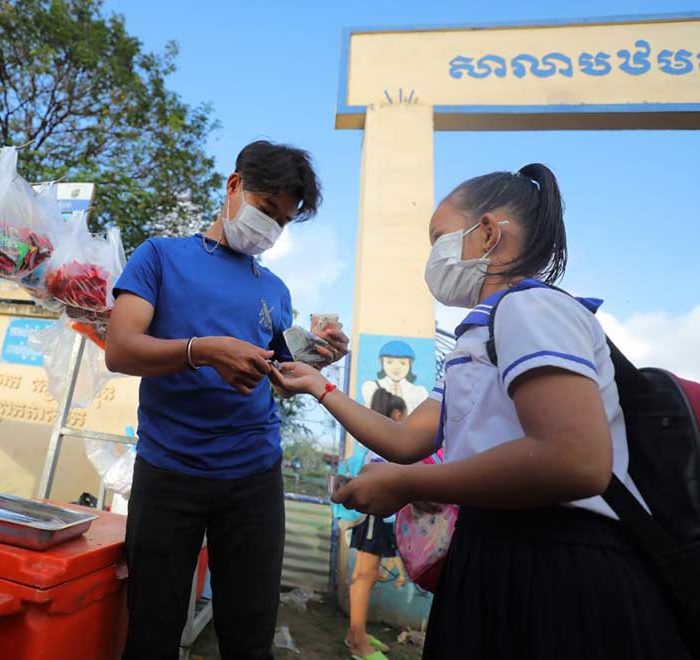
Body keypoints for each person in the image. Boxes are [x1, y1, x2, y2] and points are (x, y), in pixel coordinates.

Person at [271, 163, 689, 659]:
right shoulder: (479, 334)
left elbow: (577, 460)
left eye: (439, 238)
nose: (432, 257)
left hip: (556, 562)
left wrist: (407, 484)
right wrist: (320, 387)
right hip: (496, 548)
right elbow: (408, 441)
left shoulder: (530, 309)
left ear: (487, 232)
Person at [105, 140, 350, 660]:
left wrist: (315, 359)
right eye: (267, 210)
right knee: (153, 626)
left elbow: (280, 377)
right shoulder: (160, 256)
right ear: (234, 186)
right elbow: (121, 349)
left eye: (282, 222)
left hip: (253, 474)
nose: (271, 229)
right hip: (168, 469)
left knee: (248, 630)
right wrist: (201, 351)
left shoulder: (277, 290)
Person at [346, 391, 407, 660]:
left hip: (375, 517)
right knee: (364, 575)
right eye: (404, 416)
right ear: (396, 416)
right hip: (374, 516)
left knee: (366, 575)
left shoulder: (379, 444)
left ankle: (355, 634)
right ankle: (358, 643)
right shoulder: (384, 448)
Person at [360, 341, 428, 412]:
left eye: (402, 363)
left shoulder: (419, 392)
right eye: (389, 362)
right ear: (382, 363)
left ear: (410, 364)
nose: (396, 367)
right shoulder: (371, 386)